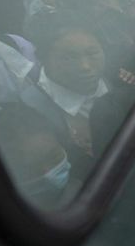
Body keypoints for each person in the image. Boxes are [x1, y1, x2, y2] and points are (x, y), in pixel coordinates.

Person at [22, 11, 112, 178]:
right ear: (43, 59)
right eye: (70, 57)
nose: (85, 66)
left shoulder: (118, 77)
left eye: (92, 53)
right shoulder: (32, 110)